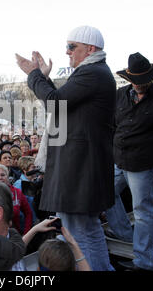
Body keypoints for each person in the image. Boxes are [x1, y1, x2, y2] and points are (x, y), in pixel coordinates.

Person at [16, 25, 115, 271]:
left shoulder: (92, 72)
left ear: (90, 49)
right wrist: (45, 78)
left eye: (72, 47)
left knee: (77, 233)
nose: (67, 52)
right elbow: (63, 100)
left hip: (79, 166)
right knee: (87, 230)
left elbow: (55, 102)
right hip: (82, 165)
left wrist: (34, 74)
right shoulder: (95, 72)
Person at [105, 52, 153, 271]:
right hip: (119, 159)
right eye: (136, 81)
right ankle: (128, 238)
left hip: (144, 163)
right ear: (129, 79)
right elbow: (111, 127)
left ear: (151, 78)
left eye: (143, 81)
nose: (140, 85)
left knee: (142, 211)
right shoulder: (119, 95)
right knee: (106, 195)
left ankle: (145, 262)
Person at [0, 164, 33, 235]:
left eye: (2, 175)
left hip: (15, 235)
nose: (0, 178)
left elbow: (28, 213)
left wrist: (26, 233)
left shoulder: (17, 192)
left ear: (7, 176)